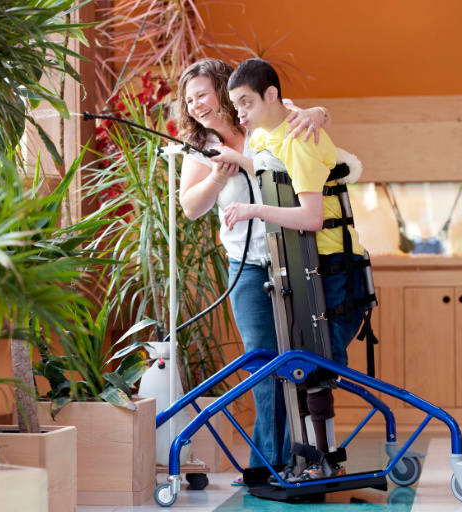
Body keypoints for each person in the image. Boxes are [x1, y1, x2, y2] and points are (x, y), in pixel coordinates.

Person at [175, 59, 333, 481]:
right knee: (263, 366)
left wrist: (319, 113)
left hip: (294, 258)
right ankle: (267, 465)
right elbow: (190, 207)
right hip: (246, 266)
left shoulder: (261, 115)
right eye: (189, 100)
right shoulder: (200, 145)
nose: (195, 106)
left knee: (301, 362)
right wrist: (216, 175)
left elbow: (307, 126)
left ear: (224, 89)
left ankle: (303, 459)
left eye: (202, 95)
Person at [225, 58, 368, 483]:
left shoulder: (298, 139)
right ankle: (309, 461)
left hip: (335, 268)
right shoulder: (269, 135)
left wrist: (252, 209)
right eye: (236, 105)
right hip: (310, 267)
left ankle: (324, 462)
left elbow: (311, 217)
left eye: (247, 102)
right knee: (306, 366)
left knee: (317, 368)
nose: (241, 113)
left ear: (271, 96)